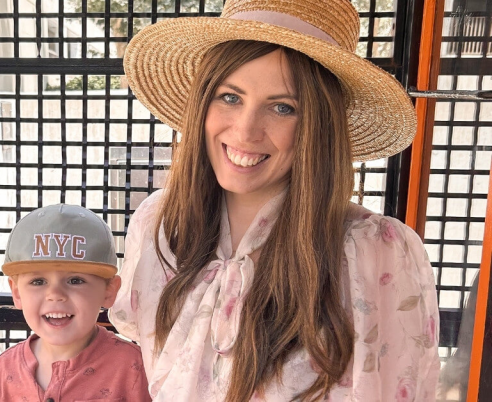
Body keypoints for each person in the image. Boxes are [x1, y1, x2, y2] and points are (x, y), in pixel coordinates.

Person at [108, 0, 440, 401]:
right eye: (230, 97)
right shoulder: (159, 224)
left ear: (318, 126)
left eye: (283, 107)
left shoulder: (371, 251)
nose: (246, 131)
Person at [0, 204, 152, 402]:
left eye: (75, 280)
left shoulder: (134, 367)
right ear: (17, 292)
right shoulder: (6, 368)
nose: (55, 294)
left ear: (109, 290)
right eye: (38, 282)